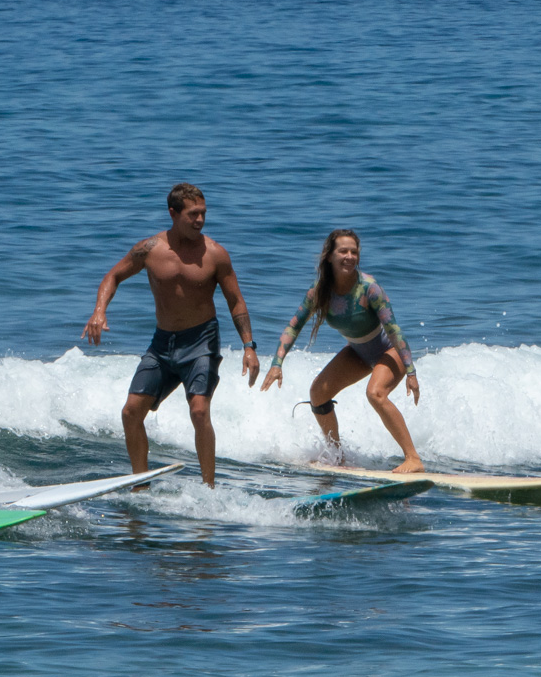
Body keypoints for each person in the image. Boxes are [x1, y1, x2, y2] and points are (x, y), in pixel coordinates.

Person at [82, 183, 260, 486]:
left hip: (202, 342)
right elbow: (113, 275)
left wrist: (249, 346)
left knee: (199, 411)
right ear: (173, 213)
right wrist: (99, 311)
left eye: (203, 213)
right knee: (130, 412)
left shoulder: (215, 254)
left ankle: (209, 488)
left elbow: (236, 301)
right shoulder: (149, 250)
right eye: (193, 214)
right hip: (162, 344)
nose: (200, 220)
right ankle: (140, 484)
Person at [261, 228, 424, 473]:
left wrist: (410, 372)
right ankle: (337, 456)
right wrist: (277, 364)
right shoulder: (319, 292)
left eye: (354, 251)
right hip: (358, 352)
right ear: (329, 256)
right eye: (343, 251)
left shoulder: (370, 288)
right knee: (317, 393)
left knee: (375, 393)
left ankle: (413, 459)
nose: (349, 256)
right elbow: (293, 326)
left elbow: (394, 330)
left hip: (389, 351)